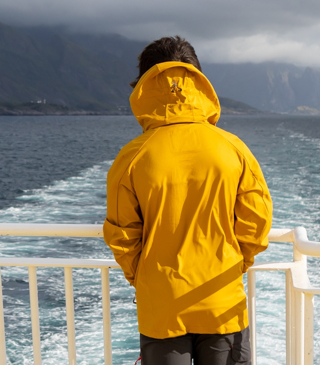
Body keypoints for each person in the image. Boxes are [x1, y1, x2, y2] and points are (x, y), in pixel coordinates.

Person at [104, 36, 272, 365]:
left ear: (142, 86)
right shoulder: (234, 148)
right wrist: (235, 264)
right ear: (198, 81)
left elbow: (123, 235)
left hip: (162, 304)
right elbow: (256, 223)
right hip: (221, 298)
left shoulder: (132, 157)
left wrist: (147, 278)